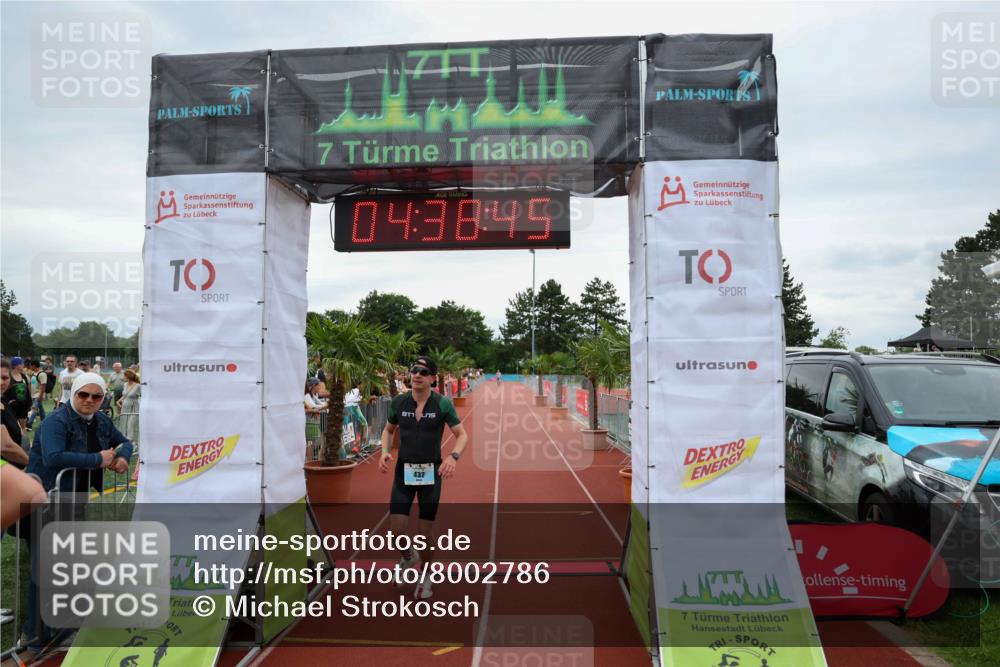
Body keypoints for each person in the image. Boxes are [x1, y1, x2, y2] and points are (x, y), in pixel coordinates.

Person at [20, 373, 132, 661]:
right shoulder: (57, 421)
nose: (90, 401)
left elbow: (124, 442)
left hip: (74, 502)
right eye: (84, 395)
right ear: (74, 394)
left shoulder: (102, 420)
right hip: (45, 501)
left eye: (96, 397)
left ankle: (63, 628)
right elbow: (54, 457)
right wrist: (99, 459)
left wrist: (122, 458)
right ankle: (34, 637)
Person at [378, 356, 468, 600]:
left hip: (431, 473)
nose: (416, 374)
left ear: (432, 379)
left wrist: (453, 457)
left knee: (425, 533)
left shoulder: (442, 404)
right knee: (396, 529)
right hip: (403, 472)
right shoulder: (399, 402)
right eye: (414, 370)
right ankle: (409, 557)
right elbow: (388, 430)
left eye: (423, 371)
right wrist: (385, 452)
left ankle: (426, 575)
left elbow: (461, 435)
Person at [1, 359, 28, 469]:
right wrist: (30, 462)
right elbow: (5, 446)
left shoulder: (3, 402)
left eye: (5, 378)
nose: (1, 382)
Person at [2, 356, 32, 434]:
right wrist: (7, 402)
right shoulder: (8, 377)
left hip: (23, 406)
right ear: (16, 365)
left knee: (23, 427)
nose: (23, 365)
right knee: (12, 426)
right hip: (12, 406)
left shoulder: (24, 376)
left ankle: (24, 444)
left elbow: (28, 390)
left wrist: (29, 403)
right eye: (21, 364)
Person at [303, 378, 328, 456]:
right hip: (309, 422)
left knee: (315, 443)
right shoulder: (307, 396)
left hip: (314, 422)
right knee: (311, 444)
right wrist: (325, 406)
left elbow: (320, 404)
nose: (320, 387)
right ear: (314, 386)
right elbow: (313, 407)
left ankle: (312, 461)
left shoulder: (313, 396)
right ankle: (309, 463)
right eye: (318, 385)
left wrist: (325, 405)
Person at [117, 369, 141, 443]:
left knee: (130, 425)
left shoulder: (138, 386)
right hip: (125, 407)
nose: (123, 377)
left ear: (128, 376)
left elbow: (142, 396)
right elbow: (125, 395)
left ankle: (131, 442)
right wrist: (118, 401)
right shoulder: (125, 384)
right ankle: (125, 441)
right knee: (124, 424)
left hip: (134, 408)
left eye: (124, 376)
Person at [26, 359, 48, 430]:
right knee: (41, 410)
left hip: (38, 395)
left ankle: (29, 424)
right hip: (34, 394)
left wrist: (41, 396)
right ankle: (45, 423)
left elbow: (43, 385)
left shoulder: (42, 374)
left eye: (31, 365)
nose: (30, 367)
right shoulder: (33, 373)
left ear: (34, 365)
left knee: (34, 409)